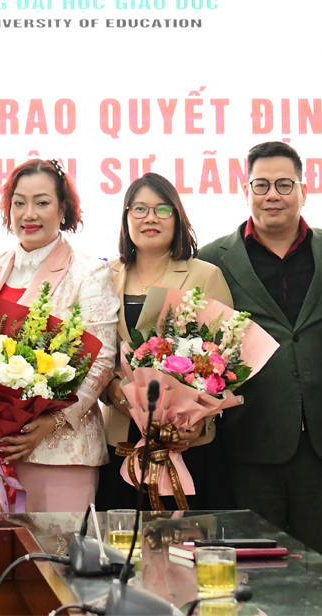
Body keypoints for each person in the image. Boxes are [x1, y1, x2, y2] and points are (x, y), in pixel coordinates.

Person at [196, 142, 322, 564]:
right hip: (249, 440)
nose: (273, 195)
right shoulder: (214, 259)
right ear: (246, 190)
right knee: (257, 570)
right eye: (262, 185)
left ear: (303, 190)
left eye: (284, 184)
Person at [0, 160, 118, 514]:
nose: (29, 214)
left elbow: (101, 359)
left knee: (60, 549)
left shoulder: (89, 272)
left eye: (42, 202)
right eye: (19, 202)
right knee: (2, 548)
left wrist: (51, 422)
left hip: (62, 451)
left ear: (63, 209)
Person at [95, 172, 234, 513]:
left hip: (185, 441)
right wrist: (111, 391)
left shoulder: (204, 275)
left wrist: (199, 420)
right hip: (122, 436)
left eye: (162, 209)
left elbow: (226, 358)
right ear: (126, 217)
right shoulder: (103, 276)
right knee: (122, 539)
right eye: (139, 209)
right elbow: (94, 354)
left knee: (184, 540)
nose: (150, 218)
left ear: (177, 216)